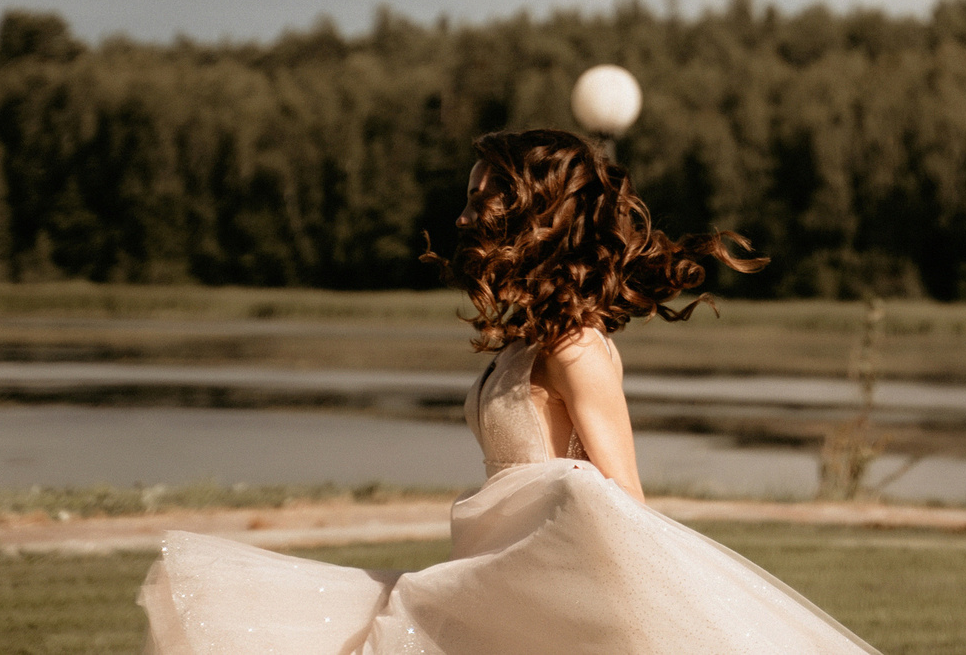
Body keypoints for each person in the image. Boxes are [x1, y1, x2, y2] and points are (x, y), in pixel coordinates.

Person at [137, 128, 883, 655]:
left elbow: (625, 498)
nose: (464, 214)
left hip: (540, 598)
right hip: (492, 581)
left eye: (482, 198)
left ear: (533, 211)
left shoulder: (577, 346)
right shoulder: (526, 340)